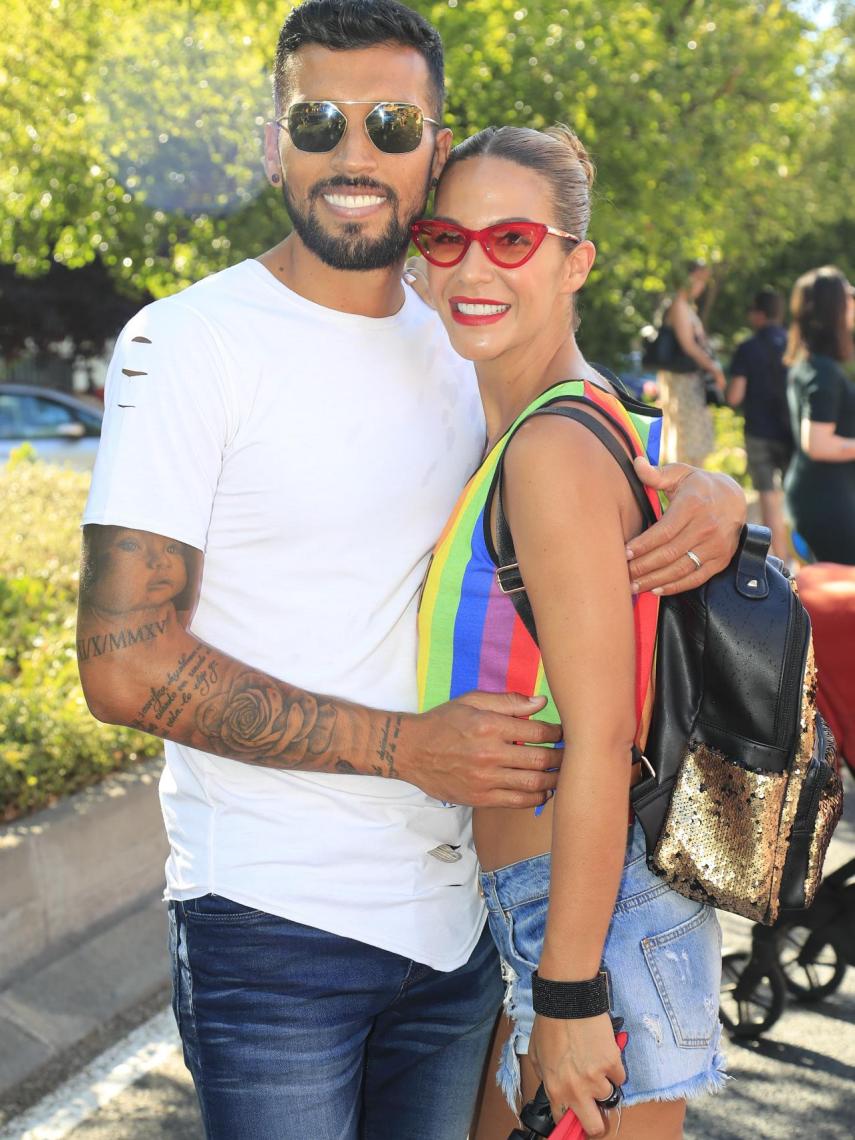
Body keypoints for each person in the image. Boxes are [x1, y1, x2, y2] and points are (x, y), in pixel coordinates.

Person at [76, 3, 745, 1137]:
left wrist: (712, 498)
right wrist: (402, 748)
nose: (354, 153)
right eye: (318, 120)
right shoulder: (186, 344)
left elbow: (583, 450)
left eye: (391, 124)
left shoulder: (461, 325)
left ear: (436, 145)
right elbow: (123, 666)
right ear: (270, 139)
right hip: (273, 923)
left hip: (458, 931)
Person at [415, 125, 725, 1140]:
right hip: (557, 914)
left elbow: (600, 732)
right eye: (444, 237)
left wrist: (569, 993)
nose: (471, 266)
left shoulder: (551, 444)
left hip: (587, 925)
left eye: (511, 240)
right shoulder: (565, 418)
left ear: (575, 260)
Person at [783, 265, 855, 565]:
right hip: (827, 503)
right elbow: (819, 443)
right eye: (848, 294)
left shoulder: (812, 364)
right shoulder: (823, 371)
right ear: (834, 308)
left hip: (820, 496)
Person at [727, 287, 793, 560]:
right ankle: (806, 561)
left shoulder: (748, 348)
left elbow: (734, 396)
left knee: (768, 497)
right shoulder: (794, 345)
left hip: (759, 431)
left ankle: (782, 563)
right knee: (795, 499)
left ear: (759, 315)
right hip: (791, 431)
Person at [657, 260, 726, 466]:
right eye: (699, 280)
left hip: (691, 380)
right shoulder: (678, 305)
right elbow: (689, 346)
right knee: (685, 438)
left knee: (695, 438)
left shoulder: (686, 306)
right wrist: (715, 370)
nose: (701, 286)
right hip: (682, 381)